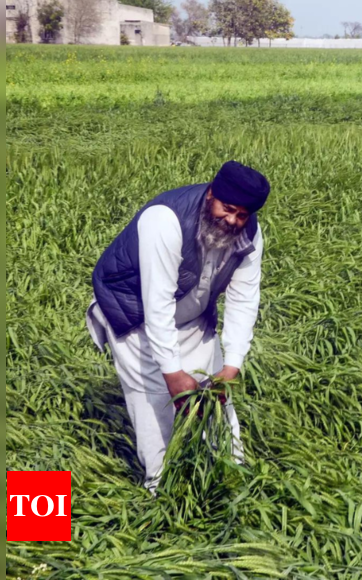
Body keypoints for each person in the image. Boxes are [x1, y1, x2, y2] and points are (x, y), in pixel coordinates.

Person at [86, 161, 269, 492]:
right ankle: (161, 490)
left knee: (215, 400)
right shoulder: (164, 220)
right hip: (135, 316)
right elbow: (156, 304)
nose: (232, 221)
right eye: (227, 209)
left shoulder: (250, 233)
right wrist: (172, 374)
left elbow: (244, 299)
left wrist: (232, 365)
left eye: (242, 215)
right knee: (155, 401)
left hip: (193, 316)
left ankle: (231, 480)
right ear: (211, 193)